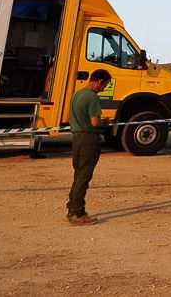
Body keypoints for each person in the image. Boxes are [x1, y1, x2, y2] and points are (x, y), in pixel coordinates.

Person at [66, 68, 112, 225]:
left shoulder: (77, 94)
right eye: (105, 85)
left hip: (77, 137)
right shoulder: (92, 98)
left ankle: (72, 208)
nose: (104, 88)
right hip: (88, 139)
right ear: (100, 82)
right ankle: (78, 214)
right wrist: (104, 123)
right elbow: (95, 122)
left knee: (78, 175)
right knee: (84, 177)